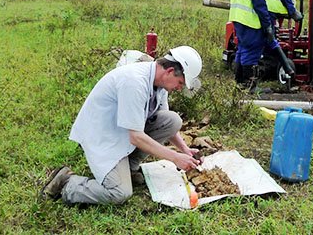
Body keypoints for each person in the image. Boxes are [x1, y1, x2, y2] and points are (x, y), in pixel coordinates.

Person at [40, 46, 203, 205]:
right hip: (103, 136)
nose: (180, 88)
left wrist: (184, 150)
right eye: (180, 82)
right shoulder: (135, 82)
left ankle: (129, 169)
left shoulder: (160, 86)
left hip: (123, 132)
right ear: (169, 71)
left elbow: (163, 122)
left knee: (172, 120)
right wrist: (175, 158)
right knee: (119, 193)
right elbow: (136, 137)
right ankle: (67, 182)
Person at [229, 0, 278, 89]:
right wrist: (267, 25)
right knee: (251, 52)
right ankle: (249, 85)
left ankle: (239, 82)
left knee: (242, 50)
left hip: (238, 20)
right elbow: (260, 5)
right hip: (251, 22)